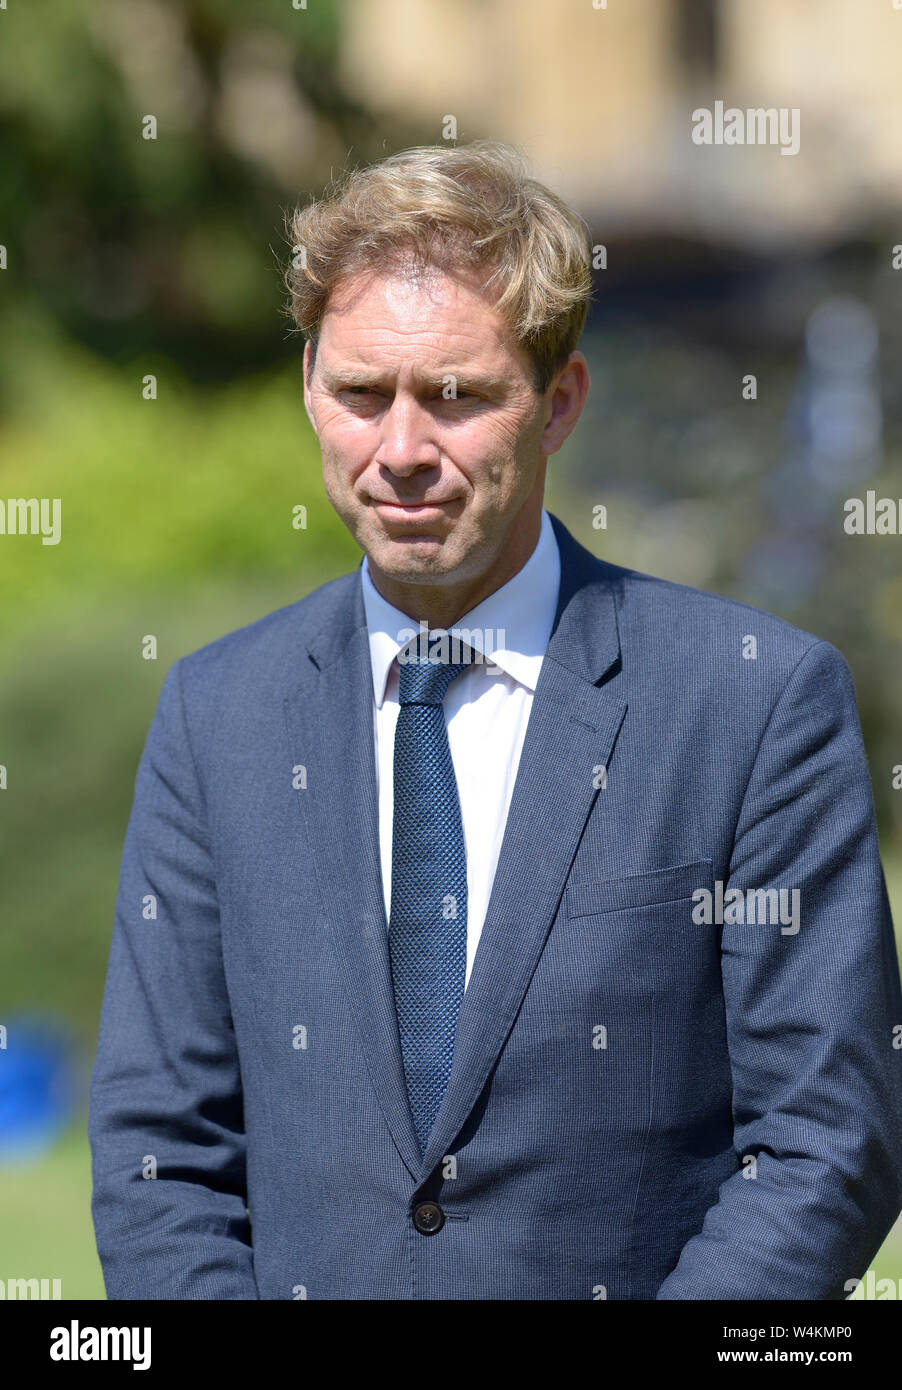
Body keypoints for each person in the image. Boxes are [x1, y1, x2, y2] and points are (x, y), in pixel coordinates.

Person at [89, 140, 902, 1300]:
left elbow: (828, 1140)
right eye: (360, 394)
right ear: (310, 390)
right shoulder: (218, 713)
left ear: (557, 402)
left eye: (458, 396)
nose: (402, 450)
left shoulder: (752, 702)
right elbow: (157, 1150)